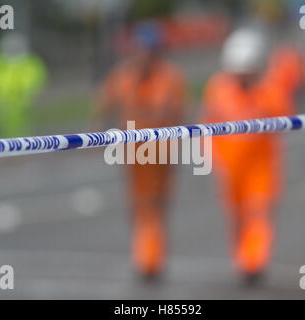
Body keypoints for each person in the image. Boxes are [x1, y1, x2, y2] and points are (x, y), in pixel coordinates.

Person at [202, 27, 294, 282]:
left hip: (260, 166)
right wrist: (208, 155)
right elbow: (208, 123)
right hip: (229, 166)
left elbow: (284, 115)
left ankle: (254, 262)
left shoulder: (270, 90)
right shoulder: (218, 88)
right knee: (235, 215)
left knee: (258, 211)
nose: (242, 76)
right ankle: (242, 258)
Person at [99, 22, 186, 278]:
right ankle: (146, 257)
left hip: (161, 151)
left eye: (147, 50)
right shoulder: (124, 76)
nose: (142, 56)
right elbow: (105, 103)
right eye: (138, 50)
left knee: (158, 204)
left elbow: (176, 112)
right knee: (139, 205)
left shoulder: (169, 77)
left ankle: (153, 257)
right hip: (133, 152)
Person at [0, 33, 47, 137]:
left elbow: (36, 77)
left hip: (23, 97)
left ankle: (22, 138)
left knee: (23, 120)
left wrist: (31, 91)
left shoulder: (29, 61)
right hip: (2, 99)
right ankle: (6, 138)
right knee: (4, 120)